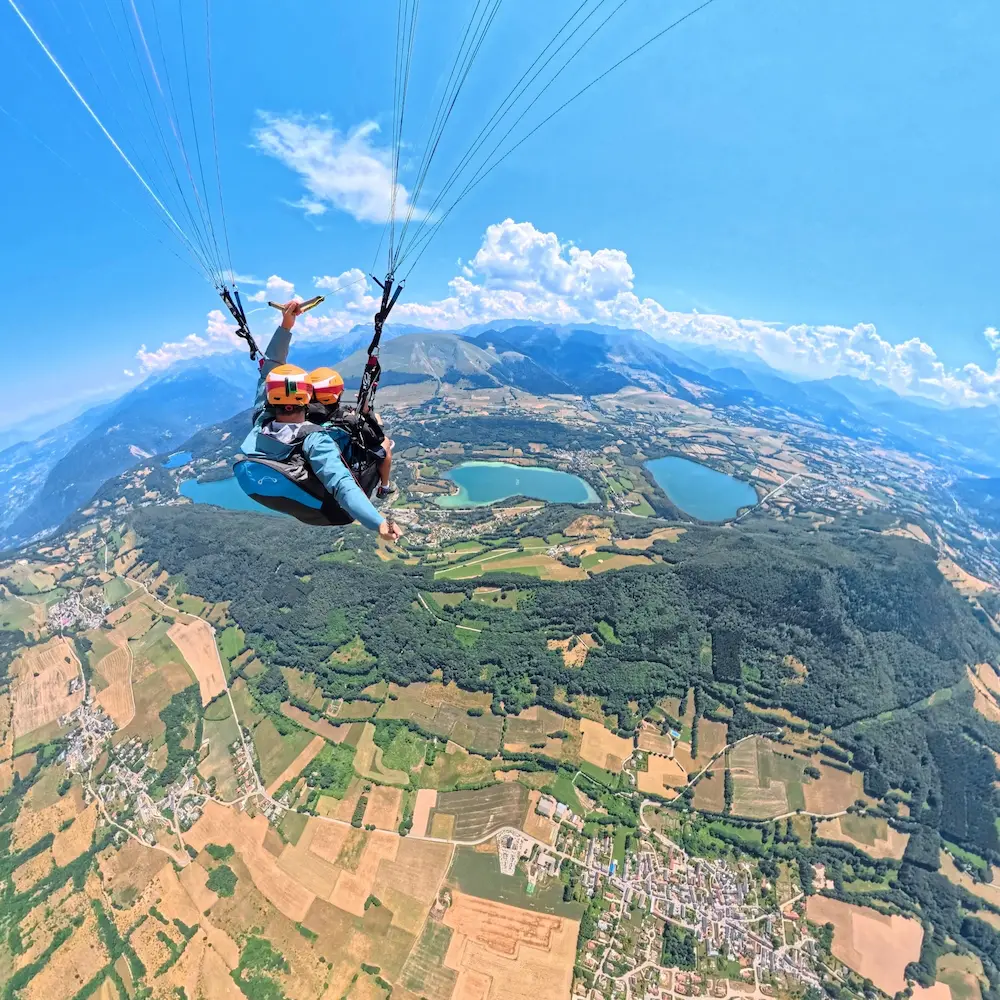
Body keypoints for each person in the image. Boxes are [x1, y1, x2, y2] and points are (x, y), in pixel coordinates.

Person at [236, 302, 402, 540]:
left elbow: (270, 367)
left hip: (288, 495)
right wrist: (378, 523)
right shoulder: (314, 439)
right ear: (307, 397)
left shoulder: (261, 420)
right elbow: (341, 484)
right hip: (333, 511)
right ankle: (385, 486)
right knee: (383, 446)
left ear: (270, 397)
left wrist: (286, 325)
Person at [309, 366, 396, 501]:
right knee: (386, 442)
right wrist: (366, 412)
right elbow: (377, 437)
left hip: (315, 475)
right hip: (348, 466)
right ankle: (385, 486)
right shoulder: (348, 420)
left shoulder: (302, 416)